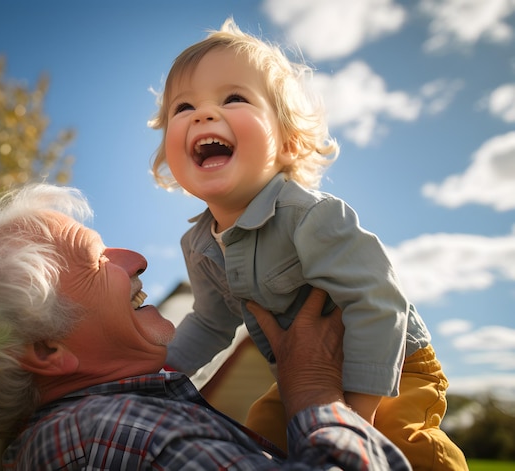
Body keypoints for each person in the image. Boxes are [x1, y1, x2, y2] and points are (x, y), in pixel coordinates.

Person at [0, 183, 411, 470]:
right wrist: (317, 396)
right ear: (46, 347)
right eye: (96, 258)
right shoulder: (127, 436)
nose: (139, 260)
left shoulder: (80, 435)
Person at [149, 18, 467, 470]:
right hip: (302, 376)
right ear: (168, 154)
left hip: (393, 362)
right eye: (183, 107)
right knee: (263, 431)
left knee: (400, 442)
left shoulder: (310, 216)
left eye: (233, 98)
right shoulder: (200, 245)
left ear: (288, 143)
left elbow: (378, 303)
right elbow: (210, 321)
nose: (203, 114)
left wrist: (356, 414)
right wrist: (156, 376)